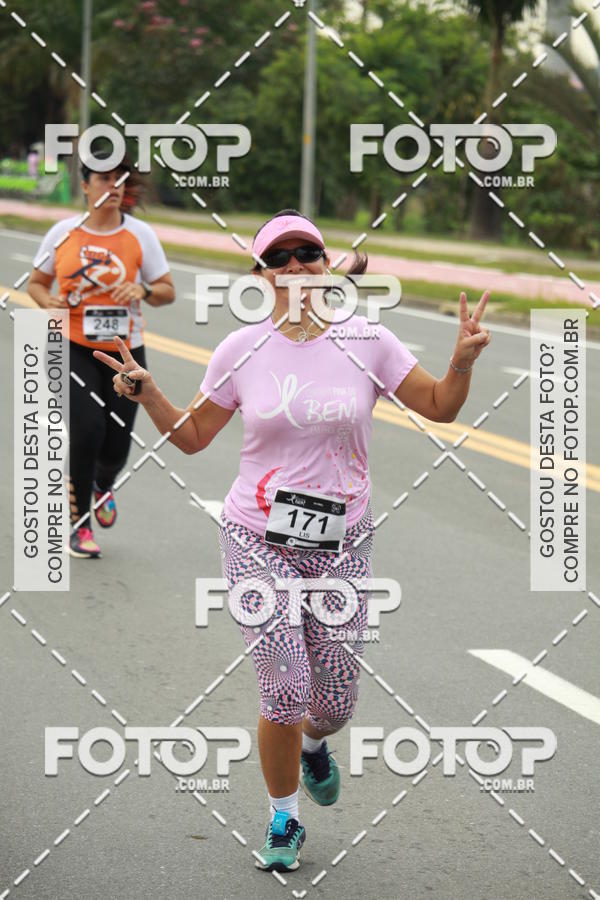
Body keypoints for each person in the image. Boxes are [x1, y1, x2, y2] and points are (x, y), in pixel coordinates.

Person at [92, 209, 491, 871]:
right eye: (281, 258)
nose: (297, 267)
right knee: (283, 688)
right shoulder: (240, 350)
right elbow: (192, 439)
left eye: (308, 253)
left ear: (326, 264)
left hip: (342, 542)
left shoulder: (367, 341)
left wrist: (461, 363)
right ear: (262, 274)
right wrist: (150, 392)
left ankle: (314, 746)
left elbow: (441, 406)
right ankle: (284, 820)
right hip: (256, 537)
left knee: (330, 705)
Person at [27, 154, 175, 558]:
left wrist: (143, 291)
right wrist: (50, 302)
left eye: (120, 180)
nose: (113, 187)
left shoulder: (140, 235)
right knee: (88, 428)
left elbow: (167, 290)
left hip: (125, 353)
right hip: (71, 346)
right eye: (104, 179)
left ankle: (102, 484)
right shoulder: (62, 232)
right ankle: (79, 528)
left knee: (116, 444)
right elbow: (36, 284)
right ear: (86, 186)